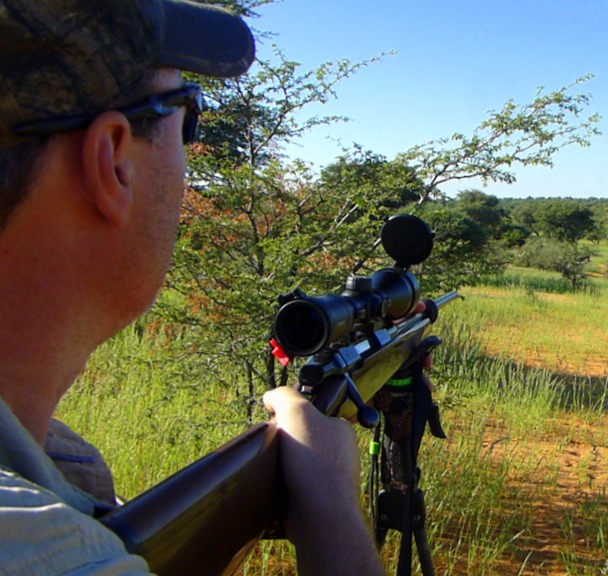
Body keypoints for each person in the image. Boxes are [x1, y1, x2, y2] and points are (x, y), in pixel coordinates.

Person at [0, 1, 384, 574]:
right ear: (112, 163)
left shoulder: (53, 475)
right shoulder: (46, 549)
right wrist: (330, 507)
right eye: (189, 113)